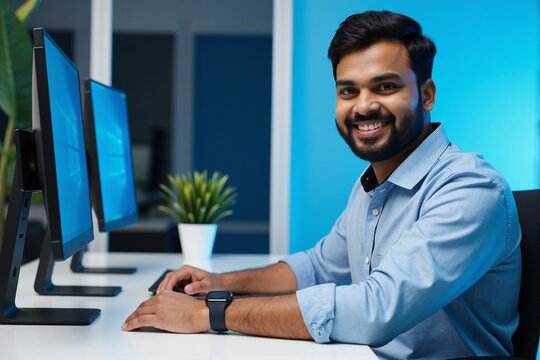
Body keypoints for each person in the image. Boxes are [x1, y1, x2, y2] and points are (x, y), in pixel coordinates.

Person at [122, 10, 521, 359]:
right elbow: (316, 267)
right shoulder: (372, 185)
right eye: (349, 90)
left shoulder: (469, 189)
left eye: (385, 86)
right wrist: (217, 284)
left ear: (427, 94)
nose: (363, 106)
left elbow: (375, 310)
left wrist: (211, 313)